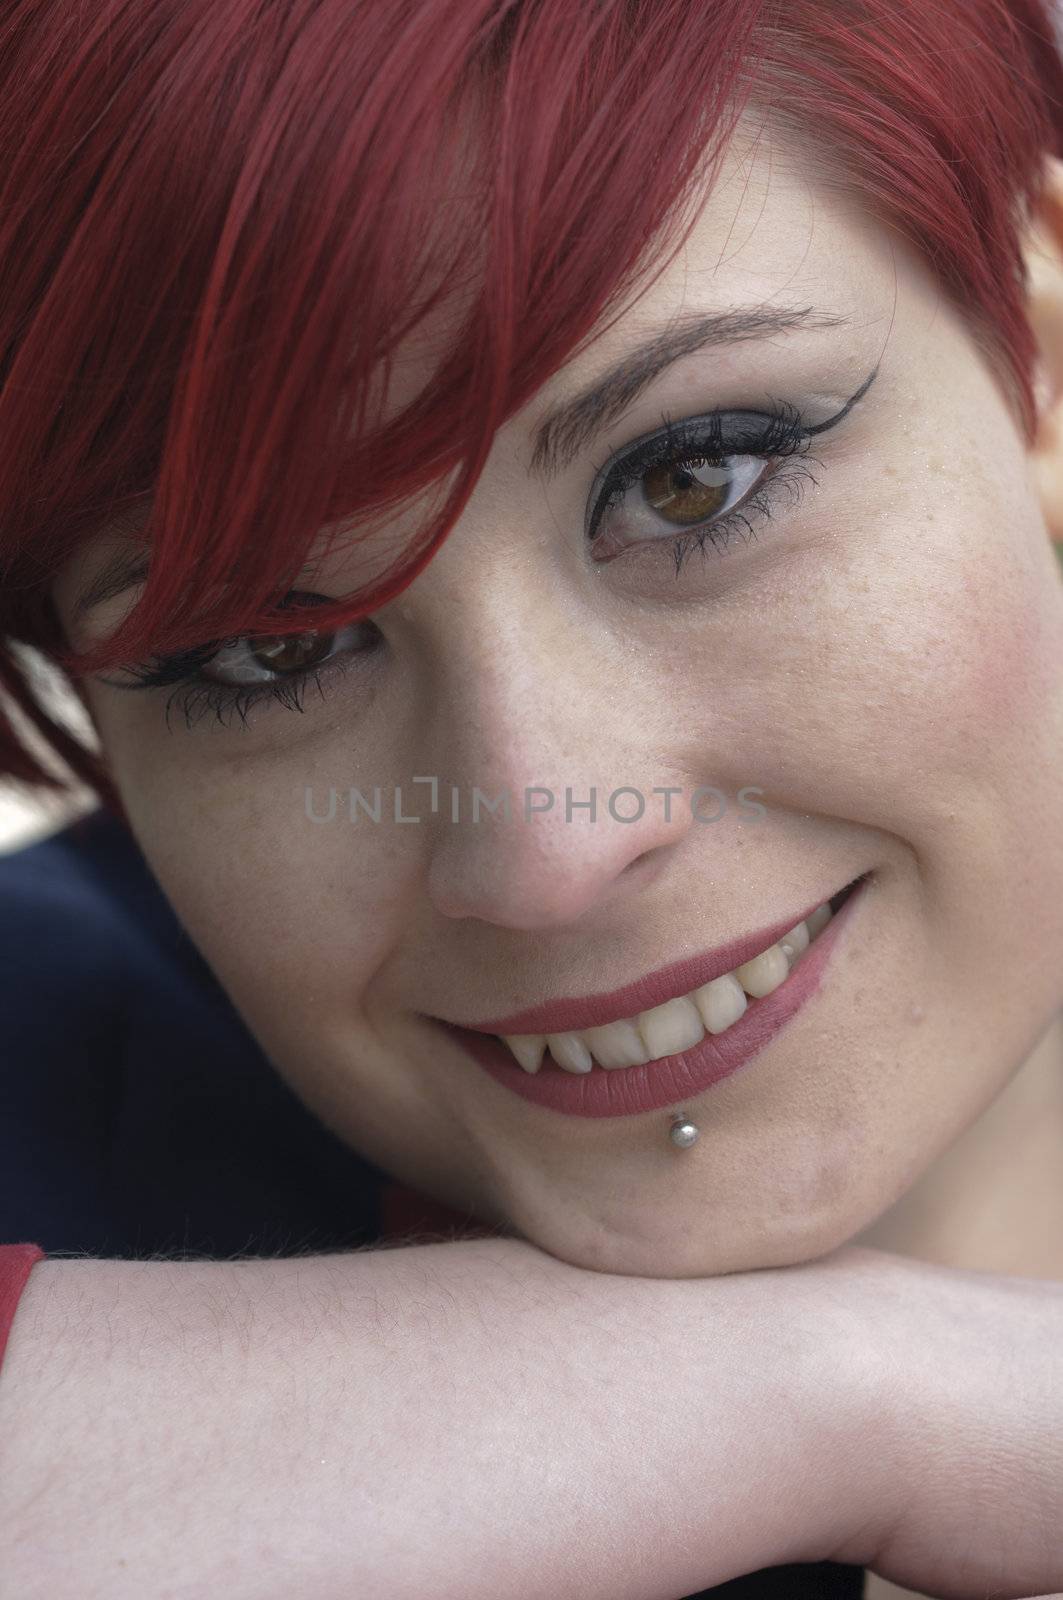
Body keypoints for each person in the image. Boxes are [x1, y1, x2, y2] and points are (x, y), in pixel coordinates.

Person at [1, 1, 1063, 1595]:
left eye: (693, 475)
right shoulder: (50, 1072)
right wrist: (843, 1395)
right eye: (261, 649)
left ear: (1039, 334)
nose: (548, 848)